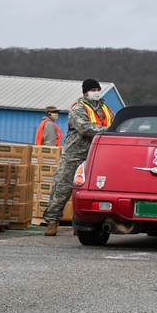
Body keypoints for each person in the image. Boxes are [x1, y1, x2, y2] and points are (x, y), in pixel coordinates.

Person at [43, 79, 113, 236]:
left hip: (96, 155)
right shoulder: (78, 108)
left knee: (89, 190)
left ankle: (80, 224)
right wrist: (109, 130)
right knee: (62, 187)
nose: (96, 92)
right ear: (86, 92)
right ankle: (52, 221)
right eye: (93, 89)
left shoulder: (106, 109)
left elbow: (115, 123)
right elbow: (84, 127)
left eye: (98, 89)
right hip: (75, 153)